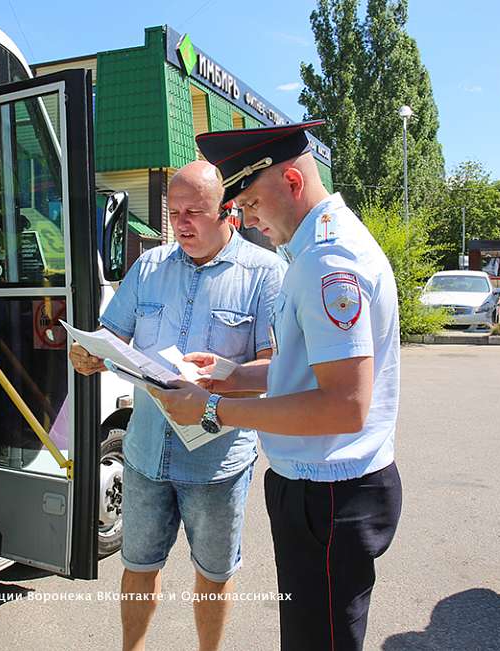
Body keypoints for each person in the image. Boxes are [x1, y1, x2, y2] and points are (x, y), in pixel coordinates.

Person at [152, 120, 403, 651]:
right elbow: (308, 372)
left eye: (250, 202)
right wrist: (233, 374)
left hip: (330, 493)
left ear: (292, 181)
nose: (244, 218)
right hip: (319, 488)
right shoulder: (315, 249)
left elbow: (344, 405)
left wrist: (214, 409)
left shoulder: (330, 261)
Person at [69, 160, 286, 651]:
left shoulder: (265, 274)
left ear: (226, 211)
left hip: (217, 462)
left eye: (195, 212)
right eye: (174, 212)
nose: (182, 223)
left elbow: (279, 367)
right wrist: (90, 352)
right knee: (138, 566)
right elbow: (114, 333)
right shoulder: (149, 267)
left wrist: (220, 378)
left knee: (212, 573)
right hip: (146, 454)